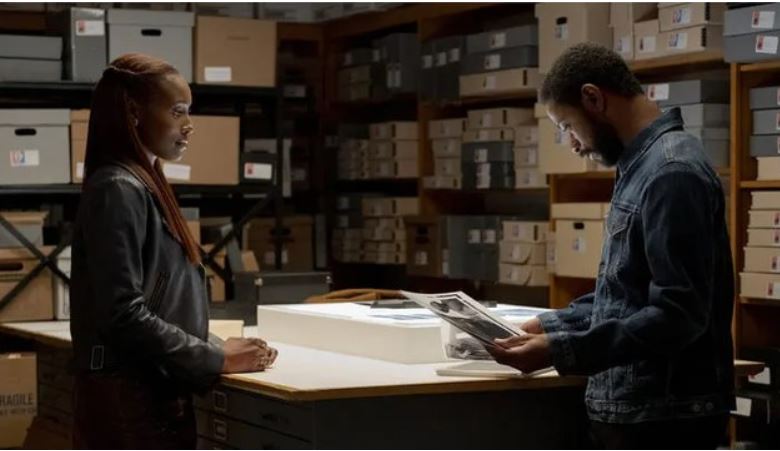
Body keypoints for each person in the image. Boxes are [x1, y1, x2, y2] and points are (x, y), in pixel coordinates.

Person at [485, 43, 734, 449]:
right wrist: (548, 327)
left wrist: (561, 351)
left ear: (593, 98)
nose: (572, 144)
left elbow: (678, 314)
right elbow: (627, 294)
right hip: (641, 412)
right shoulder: (643, 166)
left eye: (566, 125)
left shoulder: (671, 172)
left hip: (661, 421)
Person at [69, 53, 278, 449]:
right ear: (134, 113)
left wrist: (211, 345)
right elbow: (124, 314)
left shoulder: (140, 183)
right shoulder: (119, 188)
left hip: (145, 398)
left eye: (189, 112)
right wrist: (215, 360)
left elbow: (154, 303)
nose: (189, 126)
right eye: (177, 111)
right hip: (130, 407)